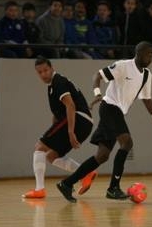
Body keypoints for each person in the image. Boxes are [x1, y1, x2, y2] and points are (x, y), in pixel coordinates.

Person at [56, 41, 152, 203]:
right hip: (109, 107)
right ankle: (113, 188)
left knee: (102, 156)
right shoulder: (123, 66)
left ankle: (66, 183)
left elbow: (147, 99)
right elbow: (98, 76)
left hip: (117, 112)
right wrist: (97, 93)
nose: (151, 57)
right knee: (127, 143)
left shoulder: (147, 75)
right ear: (138, 53)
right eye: (148, 54)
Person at [22, 56, 97, 199]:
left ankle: (40, 190)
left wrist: (70, 132)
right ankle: (85, 173)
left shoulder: (58, 82)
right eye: (40, 72)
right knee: (51, 156)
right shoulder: (52, 87)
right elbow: (57, 116)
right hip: (84, 123)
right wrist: (53, 134)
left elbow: (70, 105)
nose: (43, 74)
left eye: (45, 70)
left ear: (52, 68)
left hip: (79, 119)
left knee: (39, 147)